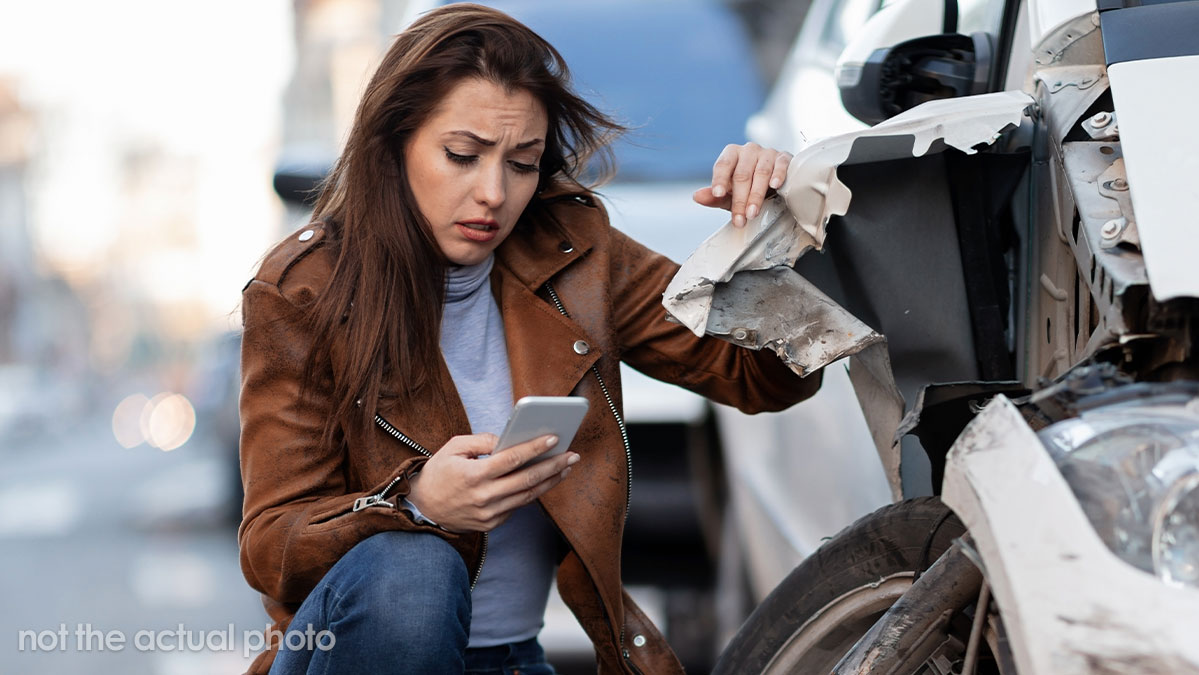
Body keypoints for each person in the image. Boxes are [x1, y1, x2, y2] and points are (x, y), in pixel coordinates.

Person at [237, 4, 822, 674]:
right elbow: (270, 544)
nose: (493, 192)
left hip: (513, 661)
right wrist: (419, 503)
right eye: (462, 155)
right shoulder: (302, 290)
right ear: (394, 145)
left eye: (522, 162)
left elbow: (766, 377)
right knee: (415, 569)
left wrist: (772, 232)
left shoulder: (572, 254)